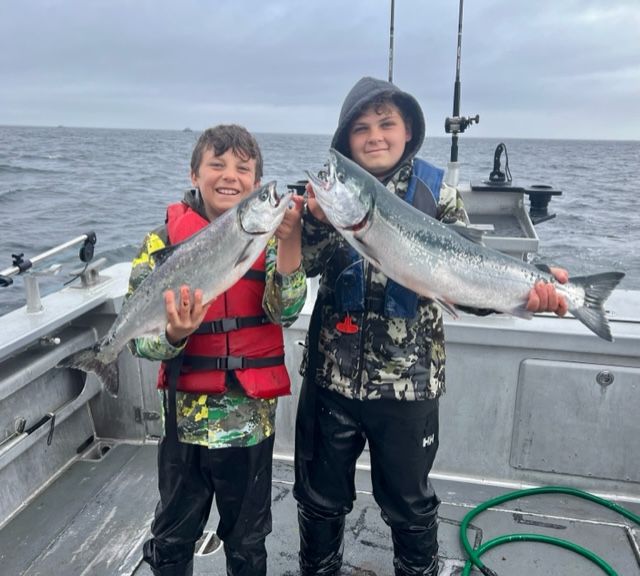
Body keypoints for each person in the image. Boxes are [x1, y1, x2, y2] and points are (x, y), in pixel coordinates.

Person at [293, 76, 568, 576]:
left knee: (410, 503)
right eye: (360, 128)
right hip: (330, 380)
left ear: (408, 130)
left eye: (386, 123)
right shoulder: (333, 197)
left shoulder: (437, 192)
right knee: (319, 496)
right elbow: (303, 267)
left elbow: (468, 275)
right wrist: (311, 221)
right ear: (346, 139)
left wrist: (533, 294)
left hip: (409, 386)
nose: (374, 135)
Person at [127, 124, 306, 576]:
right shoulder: (159, 243)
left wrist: (289, 241)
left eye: (243, 168)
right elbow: (140, 340)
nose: (230, 175)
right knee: (172, 537)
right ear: (194, 174)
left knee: (247, 542)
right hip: (182, 426)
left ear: (256, 182)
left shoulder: (266, 240)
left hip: (248, 426)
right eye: (217, 164)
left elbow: (284, 310)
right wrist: (173, 336)